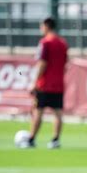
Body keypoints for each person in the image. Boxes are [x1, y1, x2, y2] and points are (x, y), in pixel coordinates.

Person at [23, 17, 68, 149]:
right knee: (58, 113)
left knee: (38, 111)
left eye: (41, 26)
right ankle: (55, 140)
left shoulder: (45, 42)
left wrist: (35, 82)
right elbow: (65, 63)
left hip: (44, 84)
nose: (40, 29)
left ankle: (31, 139)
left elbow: (42, 63)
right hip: (58, 84)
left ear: (46, 26)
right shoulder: (63, 43)